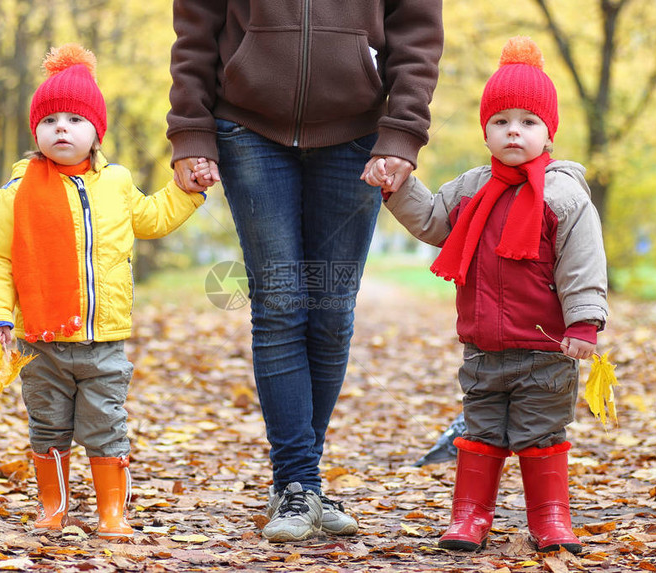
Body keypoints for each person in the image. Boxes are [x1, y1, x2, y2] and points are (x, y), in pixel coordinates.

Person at [168, 1, 444, 542]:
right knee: (279, 305)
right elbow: (195, 30)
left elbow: (417, 35)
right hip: (248, 127)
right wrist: (191, 132)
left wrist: (402, 134)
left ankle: (300, 488)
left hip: (359, 137)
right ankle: (297, 481)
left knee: (332, 311)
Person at [365, 36, 607, 554]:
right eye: (501, 122)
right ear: (487, 131)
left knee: (541, 433)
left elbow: (582, 264)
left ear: (548, 132)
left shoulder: (564, 195)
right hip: (484, 347)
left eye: (528, 122)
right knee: (481, 431)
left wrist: (584, 323)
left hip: (545, 350)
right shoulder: (473, 187)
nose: (514, 131)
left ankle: (550, 517)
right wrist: (399, 187)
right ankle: (470, 516)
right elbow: (433, 222)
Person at [0, 44, 206, 539]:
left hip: (104, 341)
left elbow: (152, 219)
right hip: (41, 341)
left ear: (96, 132)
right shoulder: (15, 194)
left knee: (106, 425)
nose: (62, 127)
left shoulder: (118, 184)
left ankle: (111, 514)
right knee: (48, 425)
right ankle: (52, 508)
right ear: (35, 131)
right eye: (50, 119)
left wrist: (189, 191)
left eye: (75, 119)